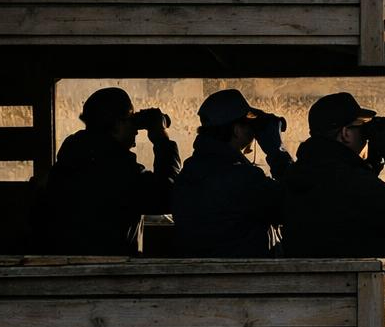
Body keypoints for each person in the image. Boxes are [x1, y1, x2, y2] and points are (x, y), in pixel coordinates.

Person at [281, 91, 385, 257]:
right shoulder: (347, 179)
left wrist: (370, 165)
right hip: (354, 282)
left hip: (311, 280)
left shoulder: (300, 172)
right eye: (362, 128)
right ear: (345, 133)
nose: (366, 136)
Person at [40, 86, 179, 255]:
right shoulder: (120, 171)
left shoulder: (70, 160)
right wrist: (161, 139)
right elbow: (168, 197)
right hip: (109, 271)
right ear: (116, 123)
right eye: (131, 119)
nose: (136, 129)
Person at [171, 88, 294, 257]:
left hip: (202, 276)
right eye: (249, 124)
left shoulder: (189, 172)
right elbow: (296, 204)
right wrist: (276, 151)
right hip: (245, 279)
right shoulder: (242, 179)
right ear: (237, 130)